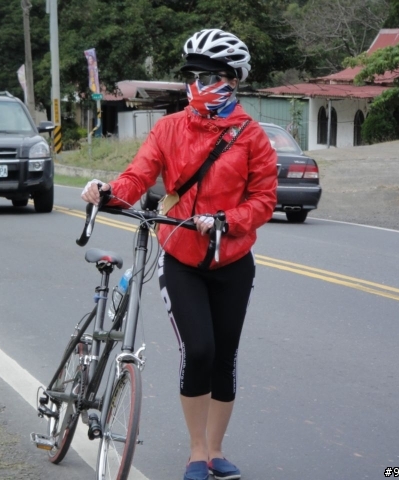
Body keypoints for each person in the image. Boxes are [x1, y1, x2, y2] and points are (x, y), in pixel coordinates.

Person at [81, 28, 277, 480]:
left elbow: (264, 199)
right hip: (182, 258)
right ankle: (194, 452)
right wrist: (108, 192)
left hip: (233, 262)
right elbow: (136, 178)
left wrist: (228, 219)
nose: (196, 85)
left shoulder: (251, 137)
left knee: (225, 355)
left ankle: (215, 450)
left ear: (231, 80)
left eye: (207, 76)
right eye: (191, 75)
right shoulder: (169, 129)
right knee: (200, 349)